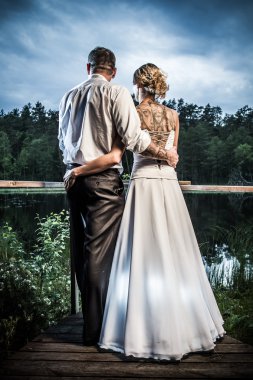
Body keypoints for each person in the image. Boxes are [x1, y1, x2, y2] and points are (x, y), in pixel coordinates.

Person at [93, 63, 224, 361]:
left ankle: (141, 326)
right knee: (176, 251)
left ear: (139, 85)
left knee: (143, 250)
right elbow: (174, 156)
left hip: (143, 183)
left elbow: (120, 149)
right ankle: (186, 325)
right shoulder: (174, 116)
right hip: (167, 183)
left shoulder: (133, 113)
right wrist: (165, 154)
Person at [58, 48, 178, 346]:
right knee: (100, 256)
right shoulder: (117, 93)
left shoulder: (68, 96)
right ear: (113, 70)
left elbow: (62, 141)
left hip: (74, 178)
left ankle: (92, 322)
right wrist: (165, 153)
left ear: (89, 66)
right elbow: (134, 138)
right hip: (102, 182)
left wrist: (77, 169)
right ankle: (97, 332)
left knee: (81, 256)